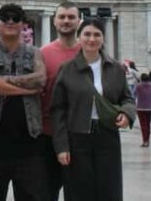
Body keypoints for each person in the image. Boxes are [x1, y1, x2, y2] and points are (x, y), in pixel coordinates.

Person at [50, 16, 135, 201]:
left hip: (107, 135)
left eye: (97, 34)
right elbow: (58, 110)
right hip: (77, 137)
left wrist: (127, 114)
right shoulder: (67, 69)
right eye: (87, 34)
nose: (91, 39)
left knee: (109, 189)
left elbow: (127, 98)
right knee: (78, 190)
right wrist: (61, 146)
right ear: (79, 37)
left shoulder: (115, 68)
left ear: (103, 38)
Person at [0, 3, 48, 201]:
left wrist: (3, 80)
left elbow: (41, 80)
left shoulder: (34, 53)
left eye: (16, 18)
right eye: (5, 18)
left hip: (29, 142)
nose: (11, 22)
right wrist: (26, 88)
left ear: (23, 24)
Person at [39, 1, 81, 201]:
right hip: (49, 135)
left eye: (71, 17)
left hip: (80, 135)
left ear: (79, 21)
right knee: (47, 192)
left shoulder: (89, 51)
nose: (66, 21)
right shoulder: (42, 54)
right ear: (54, 21)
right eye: (62, 17)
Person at [136, 72, 151, 147]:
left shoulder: (138, 86)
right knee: (148, 124)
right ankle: (148, 139)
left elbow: (133, 94)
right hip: (150, 107)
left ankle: (145, 140)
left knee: (143, 125)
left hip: (141, 108)